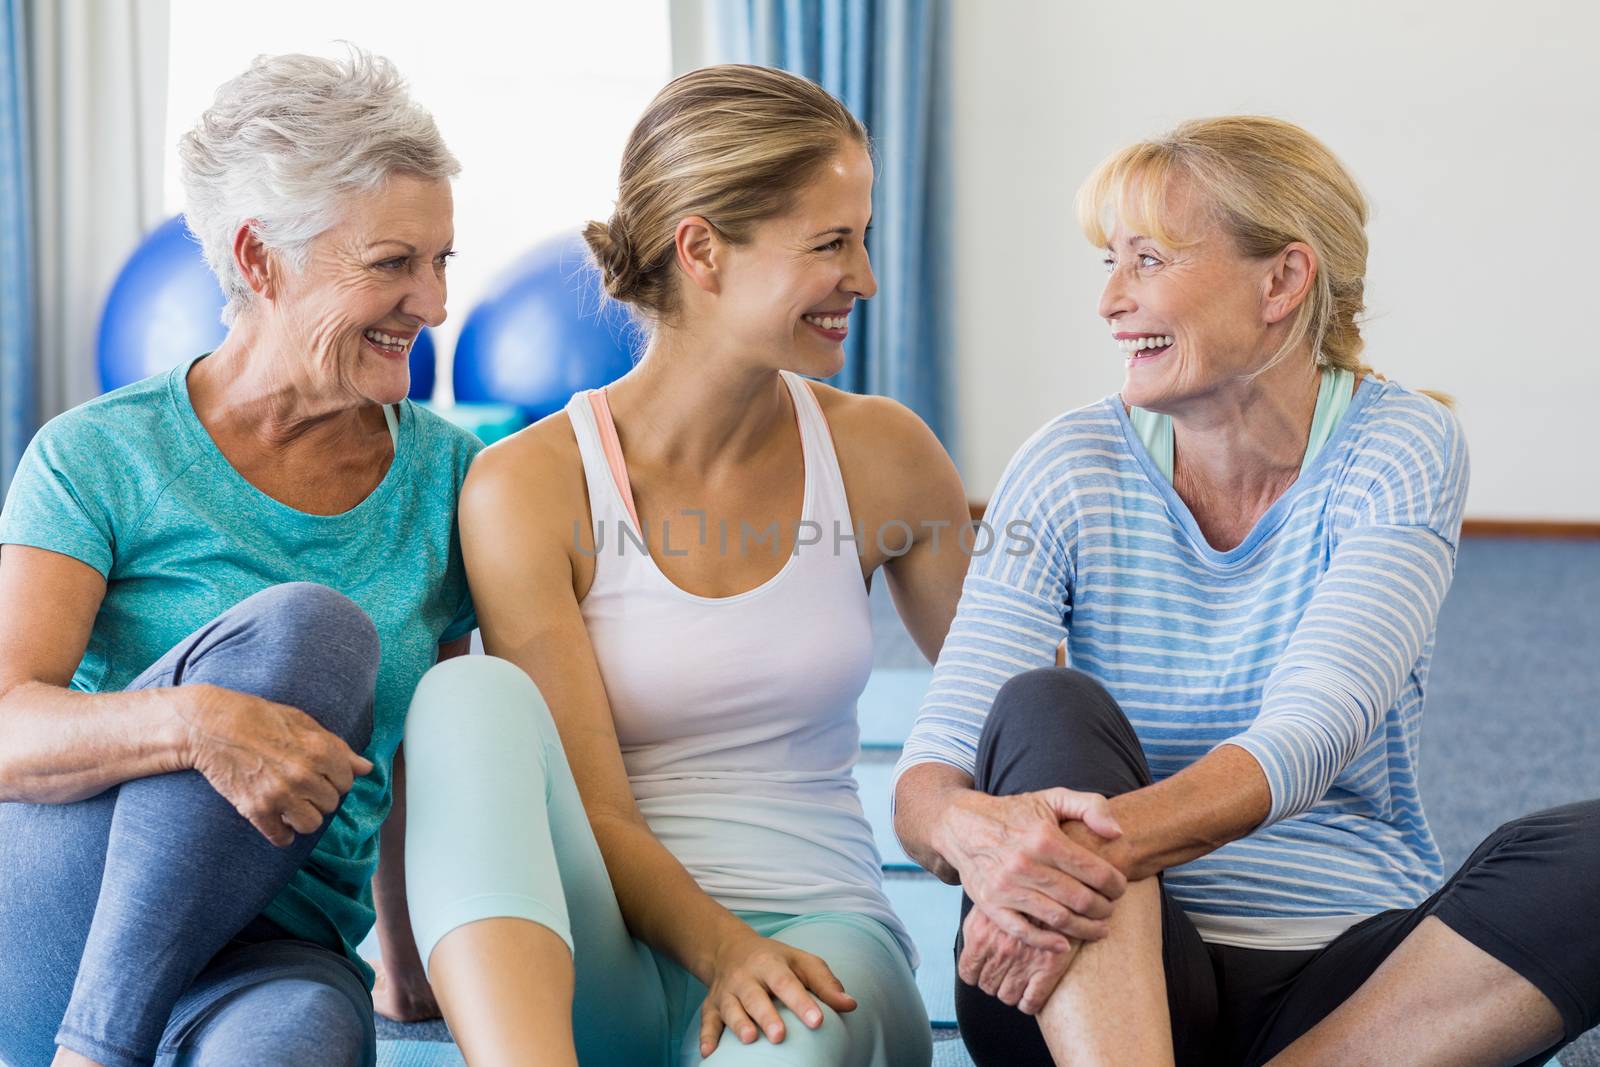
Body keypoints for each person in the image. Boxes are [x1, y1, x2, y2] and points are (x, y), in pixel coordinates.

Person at [891, 116, 1599, 1067]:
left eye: (1147, 260)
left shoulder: (1400, 447)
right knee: (1044, 705)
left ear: (1282, 280)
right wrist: (975, 837)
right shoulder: (1066, 463)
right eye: (1109, 261)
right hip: (1079, 980)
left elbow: (1307, 735)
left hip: (1349, 982)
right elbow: (935, 763)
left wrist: (1065, 855)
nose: (1109, 299)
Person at [379, 65, 970, 1066]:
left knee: (798, 1039)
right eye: (830, 244)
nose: (864, 279)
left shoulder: (884, 455)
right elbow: (598, 807)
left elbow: (1011, 702)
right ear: (701, 249)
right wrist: (721, 948)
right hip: (599, 957)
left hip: (817, 945)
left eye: (860, 238)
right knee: (464, 695)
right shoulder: (529, 484)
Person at [0, 50, 479, 1067]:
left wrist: (405, 965)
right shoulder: (100, 453)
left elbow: (434, 748)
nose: (432, 303)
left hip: (271, 951)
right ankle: (96, 1051)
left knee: (301, 1040)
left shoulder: (448, 478)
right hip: (61, 921)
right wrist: (198, 720)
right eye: (393, 263)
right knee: (310, 634)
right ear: (260, 260)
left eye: (443, 261)